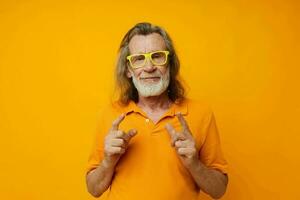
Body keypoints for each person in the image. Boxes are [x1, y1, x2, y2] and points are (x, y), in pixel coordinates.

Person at [85, 22, 228, 200]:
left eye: (157, 56)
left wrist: (194, 163)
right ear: (129, 70)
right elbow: (94, 189)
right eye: (138, 59)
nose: (149, 67)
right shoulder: (110, 115)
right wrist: (108, 161)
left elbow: (219, 190)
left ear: (170, 64)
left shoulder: (201, 113)